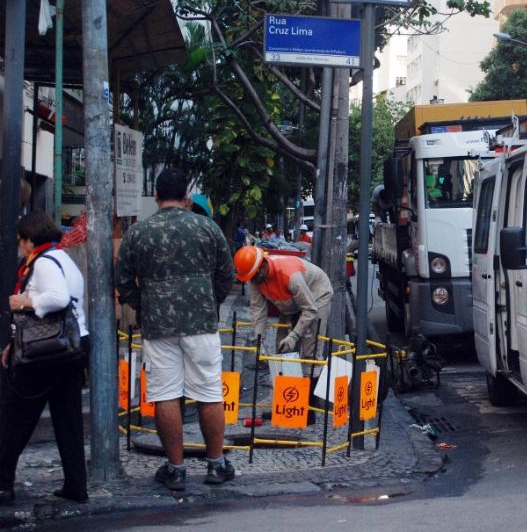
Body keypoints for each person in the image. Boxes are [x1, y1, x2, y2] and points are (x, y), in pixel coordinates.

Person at [115, 169, 235, 491]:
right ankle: (216, 464)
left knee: (165, 394)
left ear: (156, 197)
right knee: (209, 393)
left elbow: (123, 281)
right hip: (201, 323)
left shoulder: (139, 233)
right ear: (187, 197)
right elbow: (227, 274)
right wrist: (209, 300)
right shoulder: (206, 227)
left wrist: (146, 304)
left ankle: (176, 469)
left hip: (158, 326)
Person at [0, 212, 90, 504]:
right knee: (67, 418)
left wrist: (24, 300)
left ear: (30, 239)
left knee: (17, 416)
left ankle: (3, 483)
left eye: (21, 240)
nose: (19, 246)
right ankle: (76, 485)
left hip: (46, 352)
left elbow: (58, 298)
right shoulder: (63, 259)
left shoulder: (43, 263)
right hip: (71, 346)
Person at [233, 246, 333, 377]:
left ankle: (310, 392)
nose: (253, 281)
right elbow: (258, 309)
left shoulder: (290, 276)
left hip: (316, 296)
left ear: (263, 266)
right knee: (283, 347)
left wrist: (294, 336)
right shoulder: (255, 278)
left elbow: (310, 309)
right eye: (249, 278)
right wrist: (259, 340)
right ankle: (290, 390)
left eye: (254, 276)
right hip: (291, 302)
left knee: (311, 351)